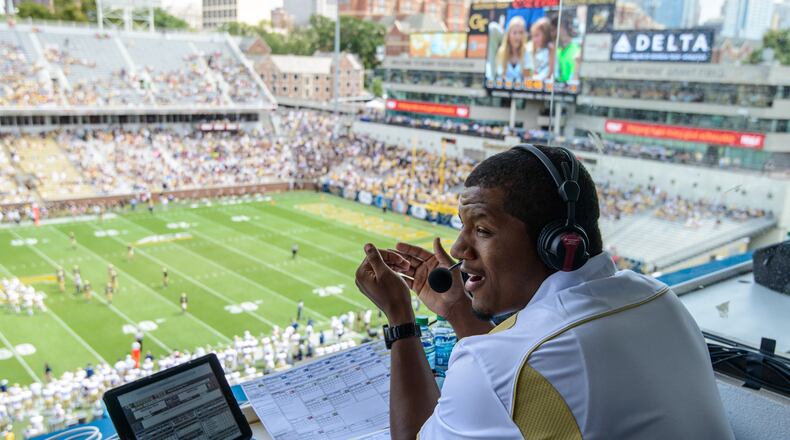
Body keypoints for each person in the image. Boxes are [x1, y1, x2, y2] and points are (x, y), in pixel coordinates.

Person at [354, 145, 734, 439]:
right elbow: (515, 376)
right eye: (463, 227)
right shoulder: (658, 297)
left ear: (555, 244)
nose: (458, 249)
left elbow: (500, 374)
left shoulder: (498, 363)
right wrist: (457, 309)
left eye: (482, 230)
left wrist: (401, 320)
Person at [494, 16, 531, 83]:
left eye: (521, 33)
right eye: (514, 33)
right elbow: (500, 77)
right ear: (509, 34)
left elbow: (527, 79)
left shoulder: (527, 52)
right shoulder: (501, 52)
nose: (518, 36)